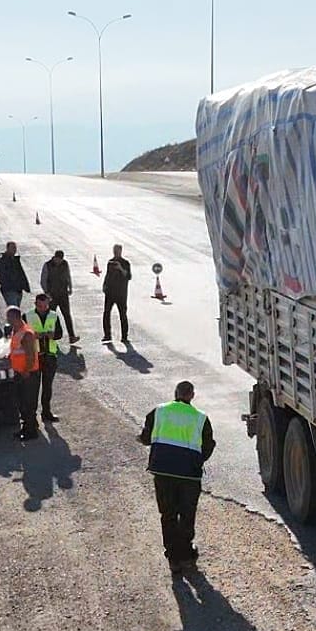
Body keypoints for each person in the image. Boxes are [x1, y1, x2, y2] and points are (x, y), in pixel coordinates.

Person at [140, 380, 216, 577]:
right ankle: (186, 555)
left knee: (168, 514)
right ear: (192, 395)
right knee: (187, 514)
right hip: (189, 475)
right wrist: (196, 461)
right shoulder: (200, 418)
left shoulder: (159, 411)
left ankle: (173, 558)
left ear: (175, 393)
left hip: (163, 472)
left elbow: (146, 437)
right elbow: (208, 446)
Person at [27, 293, 65, 424]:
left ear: (48, 304)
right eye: (39, 305)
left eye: (44, 306)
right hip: (35, 356)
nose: (42, 308)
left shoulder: (54, 316)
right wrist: (32, 336)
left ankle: (46, 412)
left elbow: (60, 334)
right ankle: (32, 417)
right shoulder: (27, 316)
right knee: (33, 388)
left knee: (47, 387)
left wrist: (53, 335)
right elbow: (19, 335)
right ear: (35, 304)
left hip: (50, 356)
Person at [6, 307, 42, 440]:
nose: (7, 320)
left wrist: (26, 371)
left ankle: (30, 432)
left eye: (9, 317)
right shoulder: (16, 331)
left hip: (28, 373)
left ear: (15, 317)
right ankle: (28, 427)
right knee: (22, 403)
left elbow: (31, 356)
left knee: (28, 404)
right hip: (20, 372)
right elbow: (16, 350)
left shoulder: (26, 333)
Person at [39, 250, 74, 351]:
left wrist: (70, 287)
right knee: (51, 316)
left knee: (67, 315)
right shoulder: (47, 265)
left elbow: (68, 276)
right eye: (58, 259)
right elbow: (43, 280)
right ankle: (49, 337)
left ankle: (72, 336)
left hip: (63, 294)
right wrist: (46, 293)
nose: (59, 261)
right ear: (54, 257)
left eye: (61, 259)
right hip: (52, 295)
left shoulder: (65, 264)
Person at [102, 244, 132, 343]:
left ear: (121, 251)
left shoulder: (125, 263)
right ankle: (107, 335)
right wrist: (104, 284)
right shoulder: (110, 262)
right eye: (114, 250)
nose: (116, 252)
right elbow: (107, 274)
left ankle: (124, 336)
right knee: (106, 313)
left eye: (117, 251)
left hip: (121, 293)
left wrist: (120, 268)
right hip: (110, 292)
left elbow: (128, 276)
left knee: (122, 315)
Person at [0, 240, 29, 309]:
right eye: (12, 248)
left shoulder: (15, 260)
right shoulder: (2, 260)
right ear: (7, 248)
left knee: (16, 310)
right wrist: (8, 286)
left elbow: (21, 273)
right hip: (9, 290)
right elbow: (0, 275)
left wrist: (25, 286)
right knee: (13, 310)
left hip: (18, 290)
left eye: (15, 248)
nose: (14, 250)